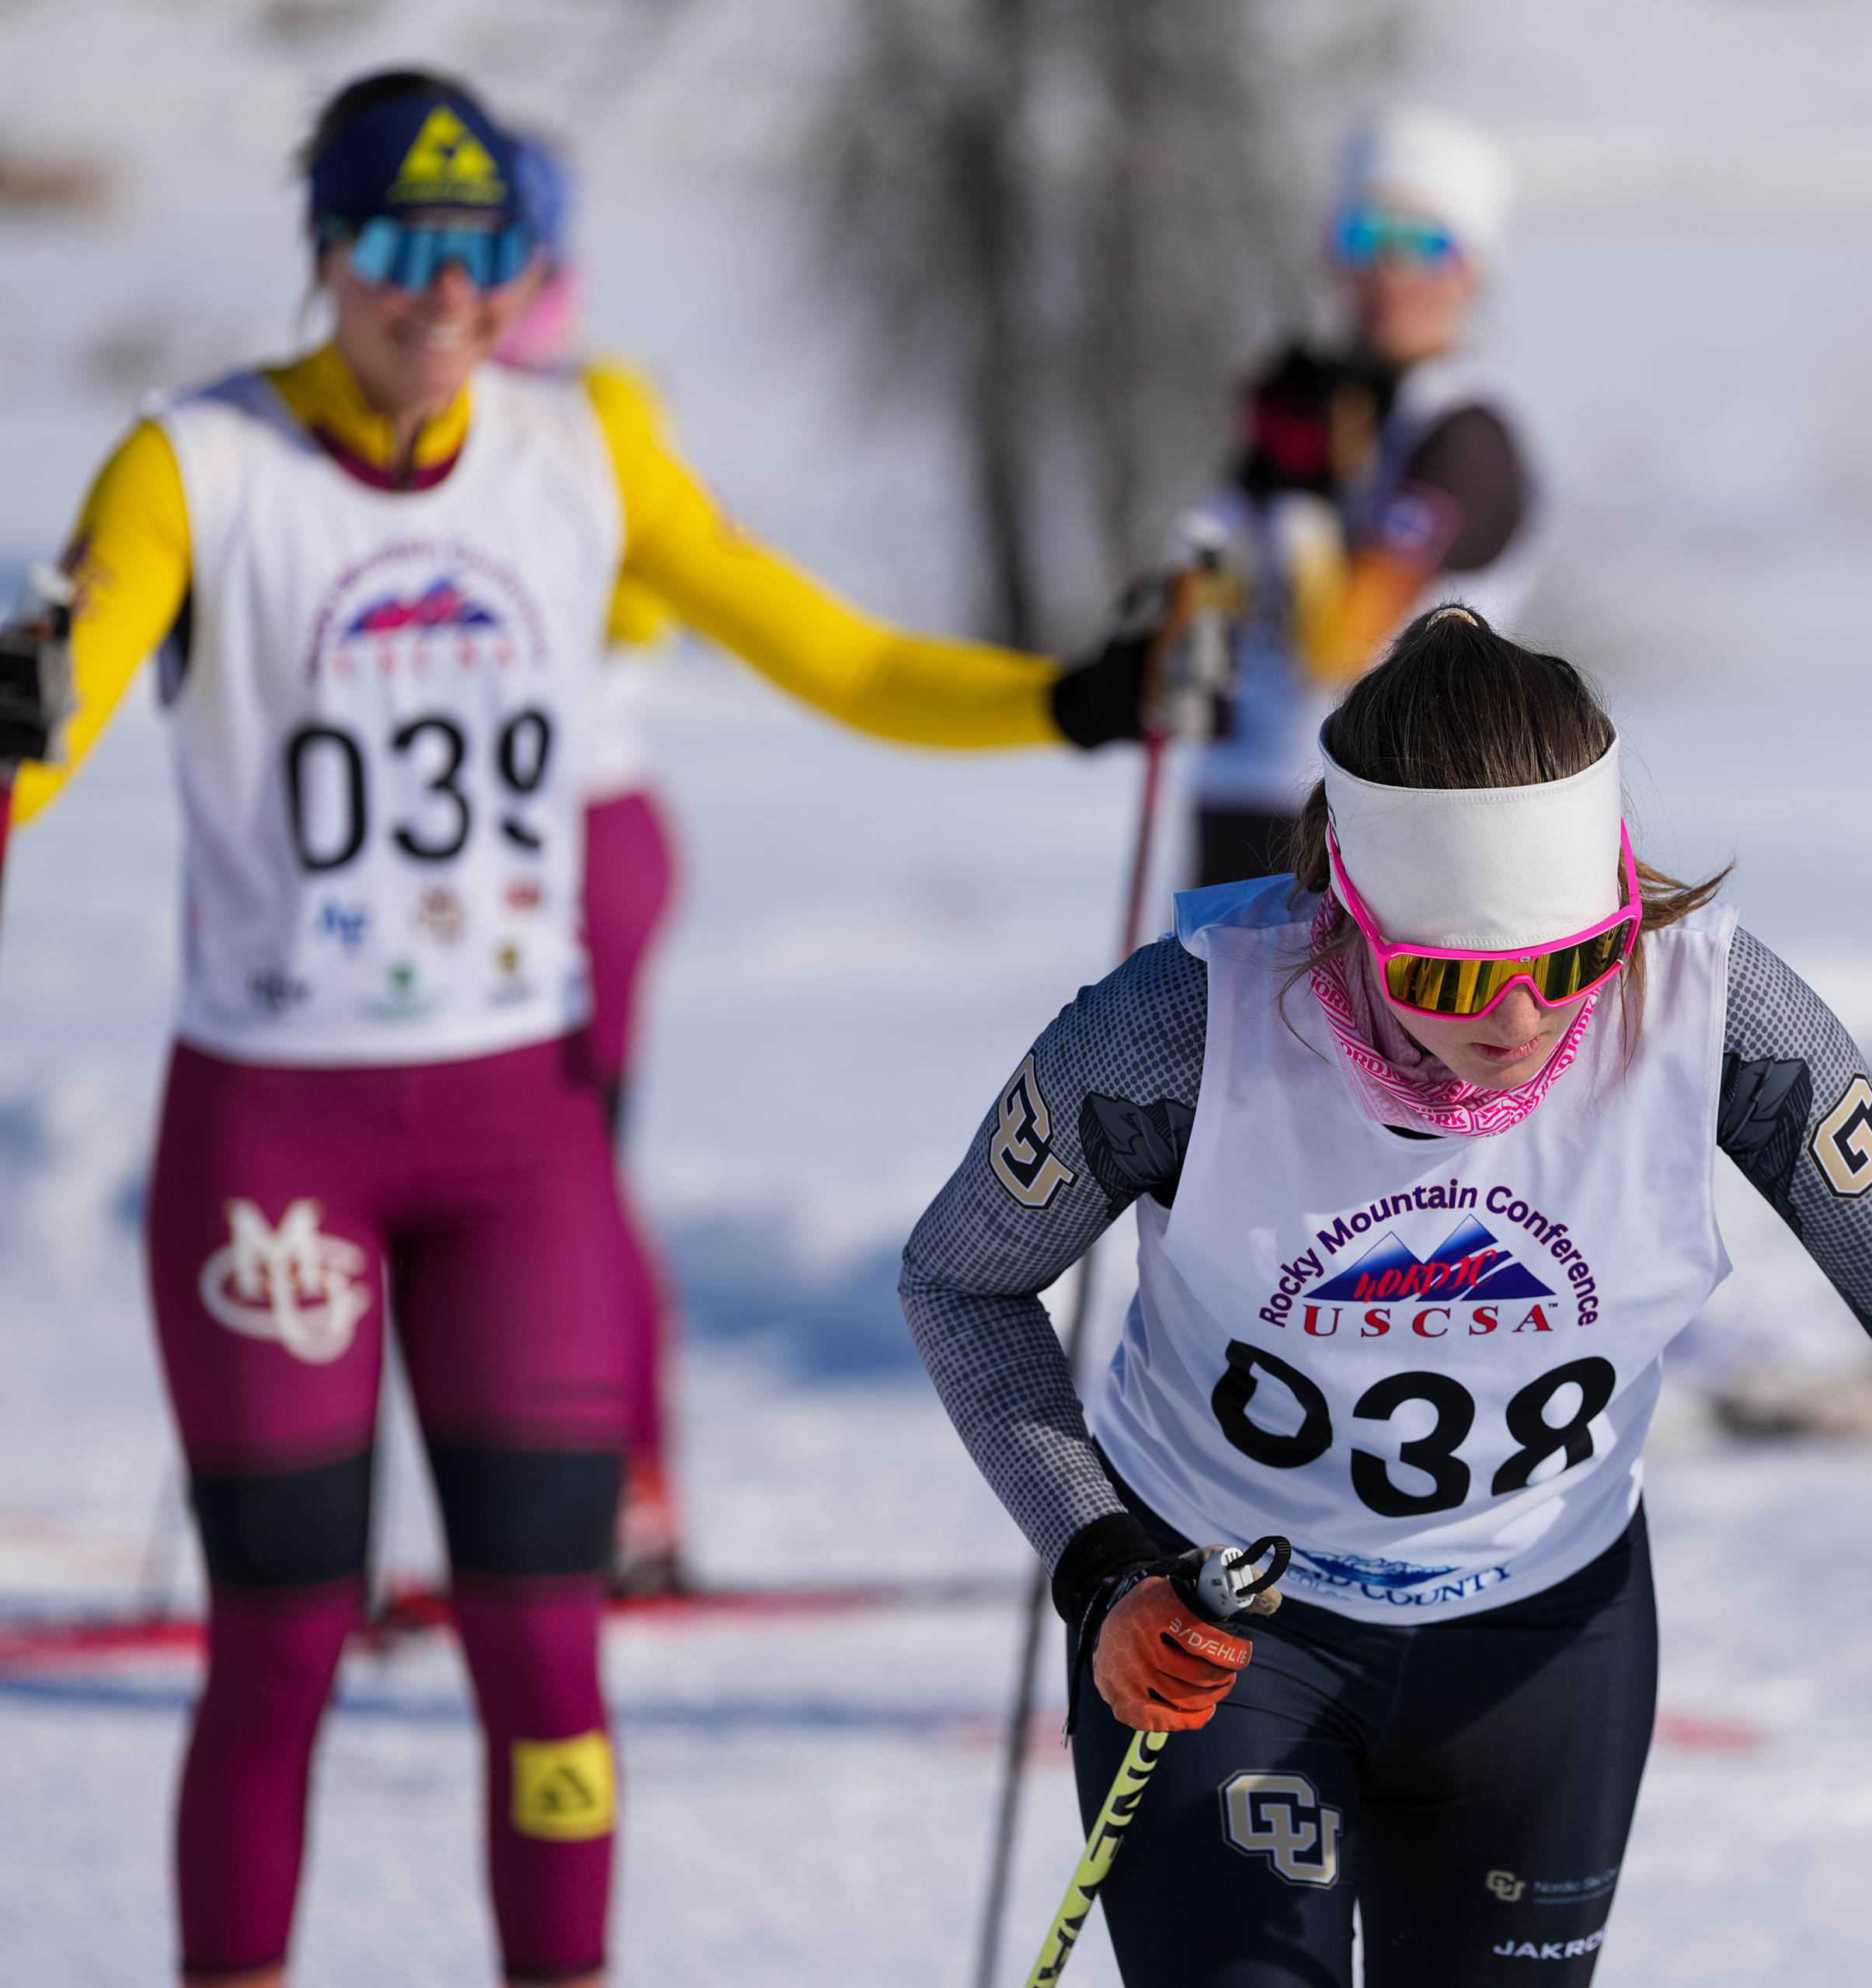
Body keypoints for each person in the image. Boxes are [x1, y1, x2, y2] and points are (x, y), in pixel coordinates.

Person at [5, 69, 1121, 1988]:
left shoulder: (583, 444)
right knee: (280, 1638)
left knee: (548, 1649)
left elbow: (835, 654)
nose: (445, 293)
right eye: (397, 246)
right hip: (275, 1132)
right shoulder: (197, 462)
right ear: (324, 253)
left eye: (487, 252)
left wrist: (1079, 695)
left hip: (519, 1137)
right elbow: (67, 695)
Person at [901, 606, 1872, 1983]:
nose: (1517, 1022)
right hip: (1224, 1620)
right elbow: (961, 1281)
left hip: (1544, 1641)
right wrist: (1103, 1568)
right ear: (1348, 910)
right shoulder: (1175, 1030)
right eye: (1447, 977)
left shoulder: (1718, 1011)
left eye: (1572, 963)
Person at [1164, 107, 1547, 890]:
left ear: (1473, 269)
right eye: (1365, 237)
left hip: (1377, 811)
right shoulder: (1325, 415)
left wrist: (1296, 498)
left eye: (1425, 245)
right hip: (1242, 796)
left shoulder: (1467, 434)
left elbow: (1342, 643)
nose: (1390, 273)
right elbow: (1187, 609)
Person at [492, 130, 692, 1594]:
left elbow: (648, 603)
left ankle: (631, 1485)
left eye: (503, 260)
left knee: (570, 1176)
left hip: (584, 834)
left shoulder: (588, 405)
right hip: (467, 853)